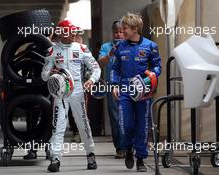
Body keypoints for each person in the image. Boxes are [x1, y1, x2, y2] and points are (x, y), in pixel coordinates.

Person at [41, 20, 101, 172]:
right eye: (69, 31)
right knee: (58, 125)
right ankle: (55, 158)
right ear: (61, 33)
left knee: (83, 123)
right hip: (59, 92)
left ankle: (90, 154)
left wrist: (91, 80)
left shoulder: (82, 48)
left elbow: (96, 68)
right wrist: (50, 73)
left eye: (73, 31)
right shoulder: (52, 51)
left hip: (78, 90)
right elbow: (43, 75)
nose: (73, 34)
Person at [111, 13, 161, 172]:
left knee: (142, 126)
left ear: (134, 29)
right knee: (125, 124)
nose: (122, 31)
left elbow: (157, 68)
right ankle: (127, 150)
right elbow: (115, 68)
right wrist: (114, 85)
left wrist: (148, 80)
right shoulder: (120, 46)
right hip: (125, 90)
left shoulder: (151, 46)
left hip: (143, 91)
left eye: (125, 28)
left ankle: (140, 158)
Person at [98, 21, 125, 159]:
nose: (119, 35)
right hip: (111, 87)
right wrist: (110, 54)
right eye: (116, 32)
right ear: (112, 32)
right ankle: (120, 148)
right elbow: (99, 64)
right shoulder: (106, 47)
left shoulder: (130, 45)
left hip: (128, 86)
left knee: (128, 116)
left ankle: (130, 146)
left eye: (121, 32)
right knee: (115, 117)